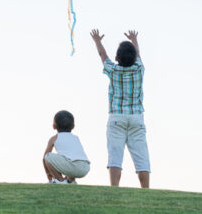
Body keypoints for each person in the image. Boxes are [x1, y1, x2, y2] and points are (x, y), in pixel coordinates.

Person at [90, 29, 151, 188]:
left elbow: (103, 56)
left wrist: (97, 41)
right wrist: (134, 39)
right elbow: (138, 54)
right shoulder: (139, 69)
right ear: (135, 57)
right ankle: (146, 190)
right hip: (136, 117)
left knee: (115, 156)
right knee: (142, 157)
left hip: (117, 117)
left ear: (116, 58)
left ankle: (114, 189)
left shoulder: (113, 70)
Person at [43, 110, 90, 184]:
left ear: (54, 126)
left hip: (72, 166)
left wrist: (48, 173)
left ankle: (60, 180)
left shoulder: (54, 138)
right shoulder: (76, 138)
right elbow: (73, 155)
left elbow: (45, 158)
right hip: (85, 167)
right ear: (73, 126)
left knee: (48, 156)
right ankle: (71, 181)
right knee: (71, 158)